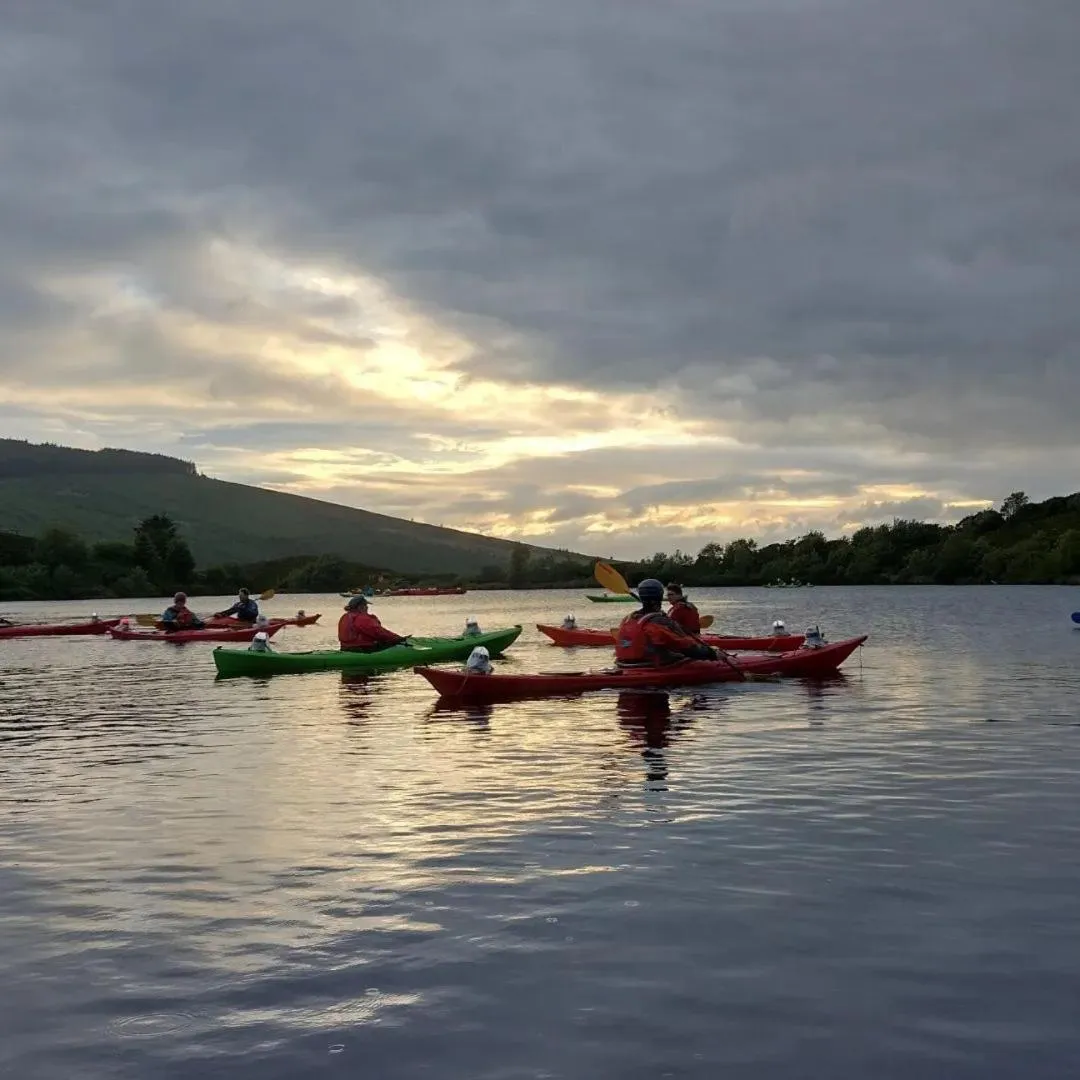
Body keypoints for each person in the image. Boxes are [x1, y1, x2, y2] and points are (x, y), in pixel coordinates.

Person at [615, 579, 719, 668]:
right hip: (655, 667)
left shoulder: (628, 619)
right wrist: (711, 653)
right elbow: (686, 647)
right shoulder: (660, 622)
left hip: (624, 665)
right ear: (660, 596)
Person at [337, 595, 409, 653]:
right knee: (395, 643)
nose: (367, 607)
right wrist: (398, 638)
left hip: (346, 648)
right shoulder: (361, 618)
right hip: (362, 649)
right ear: (360, 607)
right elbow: (378, 632)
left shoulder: (346, 616)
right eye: (365, 605)